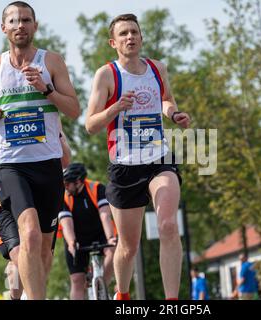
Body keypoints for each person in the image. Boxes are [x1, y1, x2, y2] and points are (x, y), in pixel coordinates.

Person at [0, 1, 80, 299]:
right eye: (14, 20)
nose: (20, 25)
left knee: (44, 252)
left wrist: (46, 88)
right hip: (10, 165)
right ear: (4, 27)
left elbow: (73, 109)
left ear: (35, 25)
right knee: (29, 235)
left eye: (26, 20)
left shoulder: (52, 62)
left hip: (47, 164)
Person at [85, 13, 191, 300]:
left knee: (168, 225)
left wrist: (173, 113)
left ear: (141, 38)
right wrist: (114, 109)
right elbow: (90, 124)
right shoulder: (107, 74)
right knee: (128, 245)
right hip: (124, 165)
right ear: (113, 42)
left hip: (159, 159)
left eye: (134, 32)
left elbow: (166, 98)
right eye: (123, 34)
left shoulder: (157, 69)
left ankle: (172, 300)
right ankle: (122, 294)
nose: (130, 37)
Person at [0, 123, 71, 300]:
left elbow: (66, 160)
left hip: (43, 192)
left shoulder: (45, 108)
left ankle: (22, 294)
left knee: (41, 256)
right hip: (9, 198)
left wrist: (56, 134)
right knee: (20, 253)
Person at [57, 163, 117, 300]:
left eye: (67, 184)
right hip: (77, 238)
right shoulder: (63, 197)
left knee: (112, 251)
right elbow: (66, 224)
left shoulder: (97, 189)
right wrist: (72, 243)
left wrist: (110, 238)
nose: (65, 187)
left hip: (100, 233)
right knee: (77, 280)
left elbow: (105, 215)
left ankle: (103, 287)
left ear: (78, 182)